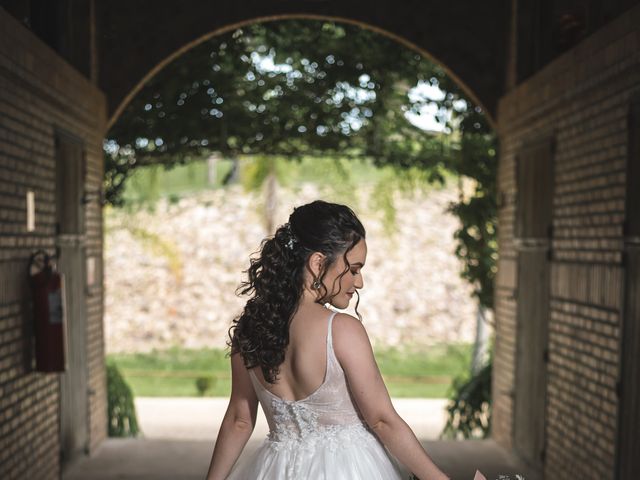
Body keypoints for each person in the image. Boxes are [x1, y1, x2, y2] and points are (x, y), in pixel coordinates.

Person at [206, 200, 451, 479]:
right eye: (354, 269)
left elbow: (240, 420)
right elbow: (382, 421)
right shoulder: (342, 330)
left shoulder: (250, 330)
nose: (359, 283)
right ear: (318, 263)